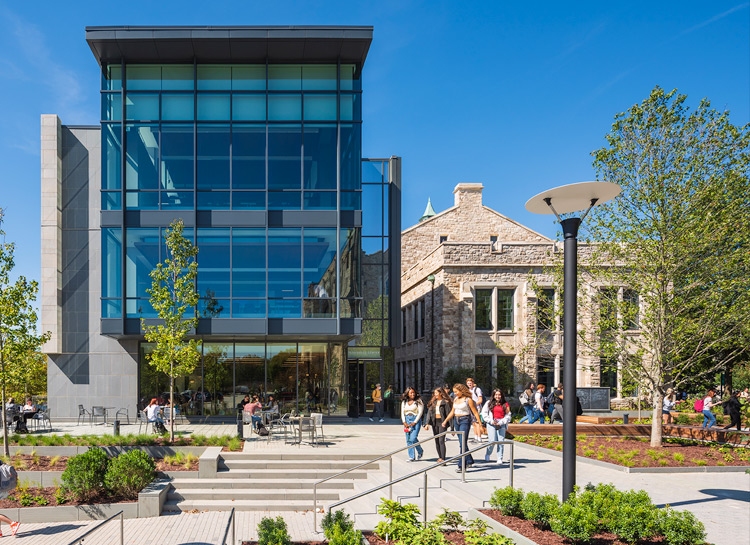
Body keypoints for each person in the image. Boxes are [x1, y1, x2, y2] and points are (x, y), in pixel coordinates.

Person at [442, 383, 482, 473]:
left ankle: (461, 465)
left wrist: (480, 424)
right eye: (454, 392)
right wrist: (445, 421)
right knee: (462, 443)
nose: (455, 393)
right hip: (456, 421)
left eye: (456, 392)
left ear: (461, 391)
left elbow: (475, 412)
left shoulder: (468, 400)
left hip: (465, 420)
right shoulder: (456, 399)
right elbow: (453, 411)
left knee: (462, 443)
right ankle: (470, 460)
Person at [481, 389, 511, 464]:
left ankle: (499, 458)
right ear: (493, 395)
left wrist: (501, 422)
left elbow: (508, 415)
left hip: (501, 423)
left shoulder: (505, 404)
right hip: (491, 423)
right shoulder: (489, 403)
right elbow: (484, 413)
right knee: (492, 441)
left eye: (499, 395)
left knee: (501, 441)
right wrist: (490, 421)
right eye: (496, 395)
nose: (498, 396)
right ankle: (488, 453)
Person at [423, 387, 452, 462]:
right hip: (434, 422)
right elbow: (429, 413)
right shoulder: (434, 402)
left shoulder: (445, 402)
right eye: (434, 393)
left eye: (436, 393)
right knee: (437, 440)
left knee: (441, 440)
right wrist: (427, 424)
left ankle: (443, 458)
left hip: (442, 422)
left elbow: (449, 414)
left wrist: (452, 427)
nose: (435, 394)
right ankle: (440, 457)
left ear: (441, 393)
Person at [400, 387, 424, 462]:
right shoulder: (404, 402)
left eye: (414, 392)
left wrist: (415, 422)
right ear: (407, 394)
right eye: (411, 393)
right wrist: (404, 422)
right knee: (408, 439)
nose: (413, 394)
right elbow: (402, 412)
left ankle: (420, 451)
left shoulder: (418, 401)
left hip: (415, 420)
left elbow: (420, 412)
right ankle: (411, 457)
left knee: (413, 438)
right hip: (407, 420)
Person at [466, 378, 485, 442]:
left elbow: (480, 400)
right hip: (471, 408)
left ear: (473, 383)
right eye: (468, 383)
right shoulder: (468, 390)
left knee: (477, 422)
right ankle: (476, 436)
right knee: (473, 423)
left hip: (477, 408)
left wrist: (473, 405)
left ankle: (479, 437)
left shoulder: (477, 389)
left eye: (470, 383)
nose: (469, 384)